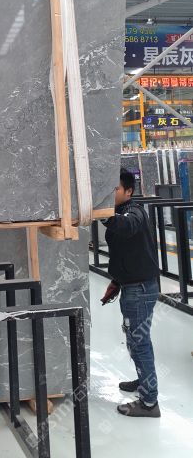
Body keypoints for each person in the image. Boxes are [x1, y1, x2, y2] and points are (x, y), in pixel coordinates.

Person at [100, 168, 161, 418]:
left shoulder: (134, 212)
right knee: (135, 340)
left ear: (129, 191)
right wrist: (116, 281)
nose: (111, 193)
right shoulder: (121, 211)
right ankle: (143, 379)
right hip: (132, 285)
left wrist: (102, 214)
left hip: (140, 289)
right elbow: (125, 252)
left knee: (139, 342)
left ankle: (149, 402)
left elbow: (126, 226)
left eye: (115, 189)